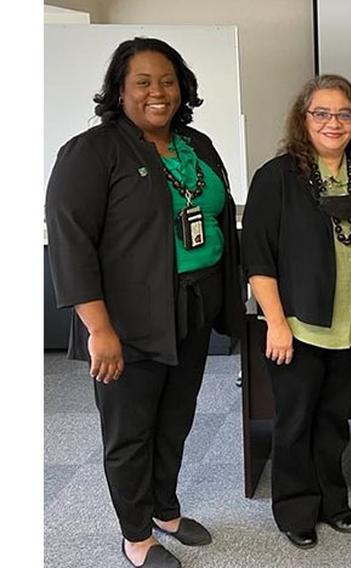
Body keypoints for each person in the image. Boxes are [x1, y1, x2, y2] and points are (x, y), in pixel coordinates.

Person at [45, 37, 245, 568]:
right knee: (130, 429)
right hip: (128, 318)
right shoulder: (92, 152)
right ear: (118, 89)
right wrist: (99, 330)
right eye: (143, 82)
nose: (159, 92)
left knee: (176, 416)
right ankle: (136, 535)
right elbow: (71, 244)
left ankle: (165, 508)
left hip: (195, 304)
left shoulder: (197, 145)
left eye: (168, 81)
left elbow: (218, 216)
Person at [241, 74, 351, 550]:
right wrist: (277, 324)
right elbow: (258, 259)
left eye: (344, 114)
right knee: (294, 422)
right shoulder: (276, 177)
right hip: (299, 327)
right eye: (322, 113)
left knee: (333, 421)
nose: (333, 123)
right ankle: (295, 509)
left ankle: (333, 501)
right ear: (303, 119)